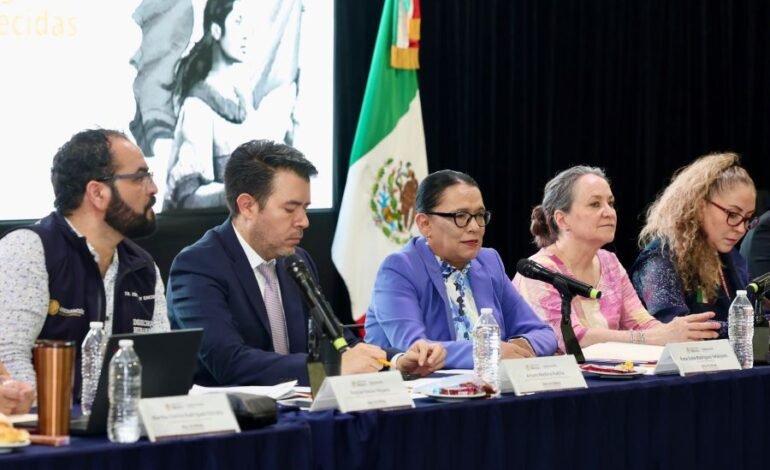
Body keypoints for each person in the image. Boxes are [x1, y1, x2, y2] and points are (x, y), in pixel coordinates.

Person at [166, 140, 445, 386]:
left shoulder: (297, 261)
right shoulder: (198, 267)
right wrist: (329, 369)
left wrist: (397, 361)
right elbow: (229, 363)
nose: (304, 222)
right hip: (235, 423)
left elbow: (338, 340)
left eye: (306, 208)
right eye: (290, 209)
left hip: (299, 414)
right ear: (247, 206)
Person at [0, 129, 170, 396]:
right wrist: (51, 412)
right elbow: (8, 356)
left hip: (118, 418)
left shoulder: (143, 267)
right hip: (44, 419)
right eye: (140, 177)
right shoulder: (29, 249)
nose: (153, 188)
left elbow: (160, 362)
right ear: (97, 193)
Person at [513, 166, 720, 353]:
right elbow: (570, 339)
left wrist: (677, 334)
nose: (609, 212)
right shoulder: (538, 271)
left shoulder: (609, 262)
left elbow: (641, 323)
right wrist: (653, 337)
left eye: (610, 203)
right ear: (562, 219)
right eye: (595, 204)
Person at [364, 170, 557, 369]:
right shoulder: (399, 269)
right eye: (461, 216)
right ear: (425, 224)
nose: (474, 227)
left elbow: (544, 334)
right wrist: (490, 351)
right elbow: (416, 349)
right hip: (418, 387)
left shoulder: (489, 261)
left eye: (479, 215)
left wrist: (521, 345)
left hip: (488, 384)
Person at [163, 0, 301, 210]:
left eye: (247, 23)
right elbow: (187, 198)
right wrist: (247, 193)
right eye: (238, 22)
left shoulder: (243, 100)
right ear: (216, 30)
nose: (246, 33)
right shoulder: (197, 108)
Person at [631, 153, 758, 336]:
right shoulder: (659, 258)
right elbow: (677, 329)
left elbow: (756, 312)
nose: (741, 229)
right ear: (699, 206)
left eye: (747, 219)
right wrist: (755, 328)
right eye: (732, 214)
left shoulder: (730, 257)